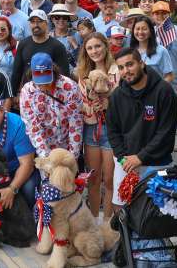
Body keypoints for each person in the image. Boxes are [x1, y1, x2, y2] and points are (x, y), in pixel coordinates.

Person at [107, 48, 177, 208]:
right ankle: (124, 235)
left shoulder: (164, 91)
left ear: (141, 63)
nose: (126, 71)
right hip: (126, 161)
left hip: (157, 160)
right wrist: (123, 157)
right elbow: (112, 130)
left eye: (130, 64)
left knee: (156, 213)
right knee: (121, 208)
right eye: (121, 67)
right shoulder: (117, 95)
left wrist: (140, 157)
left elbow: (165, 133)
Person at [76, 32, 118, 219]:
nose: (94, 51)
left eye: (98, 46)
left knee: (109, 180)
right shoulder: (82, 73)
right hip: (91, 127)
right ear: (86, 51)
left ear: (105, 46)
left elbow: (125, 99)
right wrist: (90, 105)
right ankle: (93, 222)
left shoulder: (117, 70)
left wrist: (110, 103)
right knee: (93, 179)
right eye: (90, 48)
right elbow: (80, 102)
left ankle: (108, 224)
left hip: (112, 128)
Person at [19, 53, 83, 159]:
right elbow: (33, 128)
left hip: (68, 144)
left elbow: (75, 123)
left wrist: (73, 156)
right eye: (39, 82)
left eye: (46, 80)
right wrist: (47, 159)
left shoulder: (70, 87)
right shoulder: (27, 92)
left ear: (53, 71)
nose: (43, 85)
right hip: (44, 146)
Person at [10, 10, 70, 92]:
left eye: (39, 21)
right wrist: (14, 93)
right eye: (32, 22)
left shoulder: (57, 46)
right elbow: (17, 72)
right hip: (28, 93)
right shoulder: (23, 44)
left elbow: (64, 74)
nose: (36, 25)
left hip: (51, 92)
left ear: (46, 24)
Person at [151, 1, 177, 96]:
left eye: (164, 13)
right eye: (157, 13)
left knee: (169, 109)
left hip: (172, 84)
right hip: (152, 83)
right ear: (152, 16)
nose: (160, 16)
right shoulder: (149, 32)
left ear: (169, 14)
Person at [130, 16, 173, 81]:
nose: (140, 32)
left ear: (151, 31)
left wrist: (158, 89)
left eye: (144, 29)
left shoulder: (161, 51)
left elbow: (169, 76)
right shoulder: (130, 51)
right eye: (137, 29)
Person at [49, 4, 81, 69]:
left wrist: (75, 45)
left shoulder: (77, 35)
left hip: (73, 75)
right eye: (57, 17)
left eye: (64, 17)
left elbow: (82, 60)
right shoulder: (48, 37)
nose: (61, 20)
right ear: (52, 19)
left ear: (68, 19)